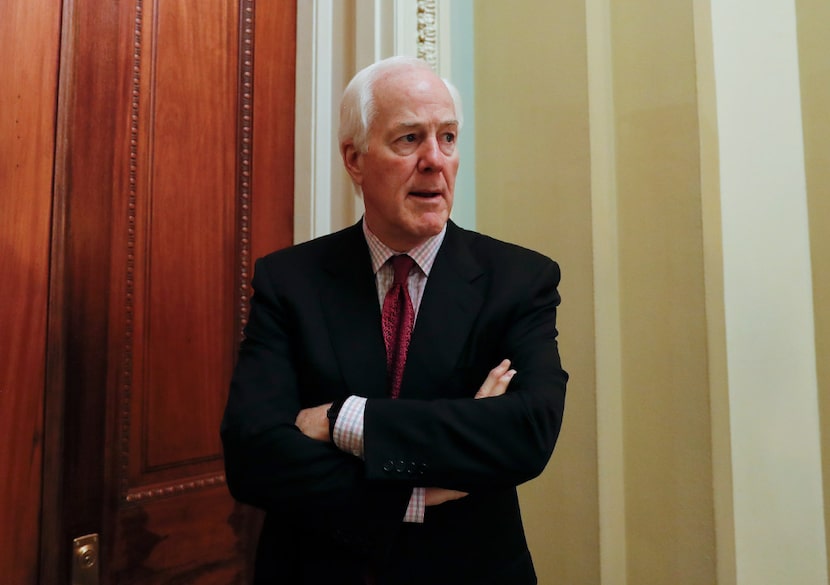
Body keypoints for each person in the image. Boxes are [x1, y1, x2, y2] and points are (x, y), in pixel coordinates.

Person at [221, 55, 568, 585]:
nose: (435, 159)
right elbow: (253, 455)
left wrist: (342, 420)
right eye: (409, 139)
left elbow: (527, 432)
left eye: (447, 137)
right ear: (354, 159)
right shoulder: (289, 281)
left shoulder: (520, 279)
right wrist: (419, 488)